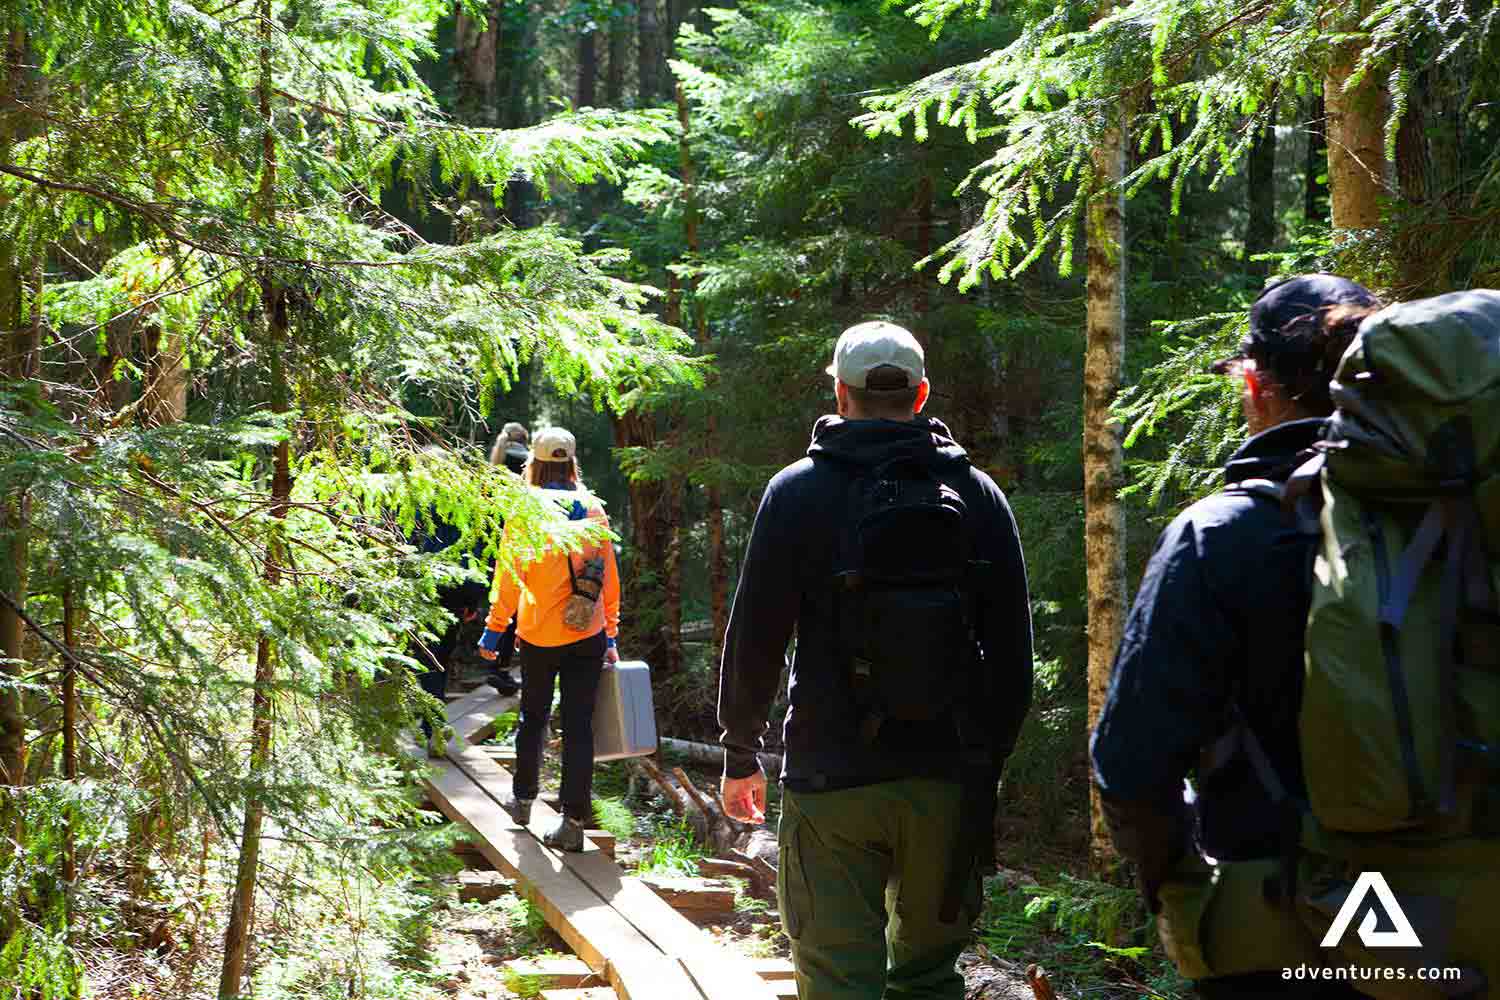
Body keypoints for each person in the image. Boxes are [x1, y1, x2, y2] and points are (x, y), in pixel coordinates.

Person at [717, 321, 1034, 1000]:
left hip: (831, 777)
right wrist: (982, 769)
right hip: (948, 779)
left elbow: (756, 639)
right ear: (920, 395)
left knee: (836, 979)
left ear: (840, 392)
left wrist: (741, 752)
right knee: (928, 978)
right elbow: (1015, 660)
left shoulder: (796, 492)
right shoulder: (978, 496)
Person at [1090, 275, 1381, 999]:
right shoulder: (1467, 522)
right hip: (1461, 918)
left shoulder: (1220, 537)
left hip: (1281, 928)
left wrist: (1181, 889)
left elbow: (1130, 761)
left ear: (1254, 383)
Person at [478, 426, 621, 851]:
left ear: (534, 463)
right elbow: (608, 577)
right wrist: (611, 632)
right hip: (587, 633)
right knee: (579, 727)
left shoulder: (525, 510)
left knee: (534, 717)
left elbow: (509, 575)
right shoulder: (593, 508)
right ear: (571, 461)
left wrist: (495, 626)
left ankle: (522, 801)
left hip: (539, 634)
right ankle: (572, 823)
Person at [482, 421, 532, 696]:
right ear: (525, 439)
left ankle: (495, 665)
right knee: (515, 605)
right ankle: (500, 669)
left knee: (500, 603)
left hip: (493, 541)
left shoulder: (495, 465)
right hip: (519, 538)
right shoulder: (526, 462)